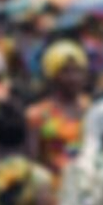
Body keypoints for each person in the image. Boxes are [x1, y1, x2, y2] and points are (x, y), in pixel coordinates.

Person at [25, 40, 89, 171]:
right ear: (52, 75)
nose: (74, 78)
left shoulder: (91, 109)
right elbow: (32, 161)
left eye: (77, 71)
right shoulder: (37, 114)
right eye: (65, 71)